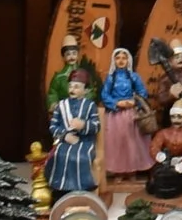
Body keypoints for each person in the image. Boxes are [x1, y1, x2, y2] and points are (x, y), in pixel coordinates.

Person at [47, 58, 102, 199]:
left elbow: (96, 126)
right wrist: (64, 136)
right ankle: (60, 190)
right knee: (60, 155)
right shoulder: (61, 105)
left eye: (77, 87)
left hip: (85, 141)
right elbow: (53, 125)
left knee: (79, 157)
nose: (72, 90)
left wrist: (83, 125)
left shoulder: (90, 106)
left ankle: (83, 190)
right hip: (65, 141)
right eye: (71, 86)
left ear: (85, 89)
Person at [99, 48, 153, 188]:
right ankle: (118, 172)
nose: (121, 60)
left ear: (128, 60)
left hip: (131, 115)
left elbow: (143, 92)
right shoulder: (111, 78)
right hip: (116, 116)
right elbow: (105, 95)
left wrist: (134, 101)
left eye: (124, 57)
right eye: (118, 58)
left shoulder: (134, 77)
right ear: (114, 61)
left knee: (132, 143)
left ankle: (132, 171)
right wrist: (117, 103)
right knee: (117, 143)